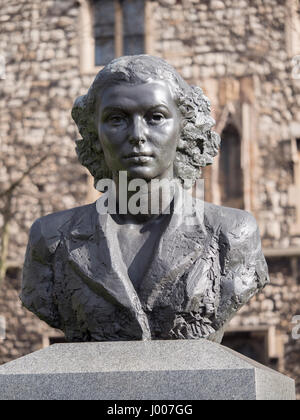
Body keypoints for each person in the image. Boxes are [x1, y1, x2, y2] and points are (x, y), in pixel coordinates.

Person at [21, 55, 269, 343]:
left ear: (183, 128)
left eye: (156, 117)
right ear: (94, 133)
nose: (137, 135)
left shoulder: (233, 233)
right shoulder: (51, 239)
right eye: (117, 119)